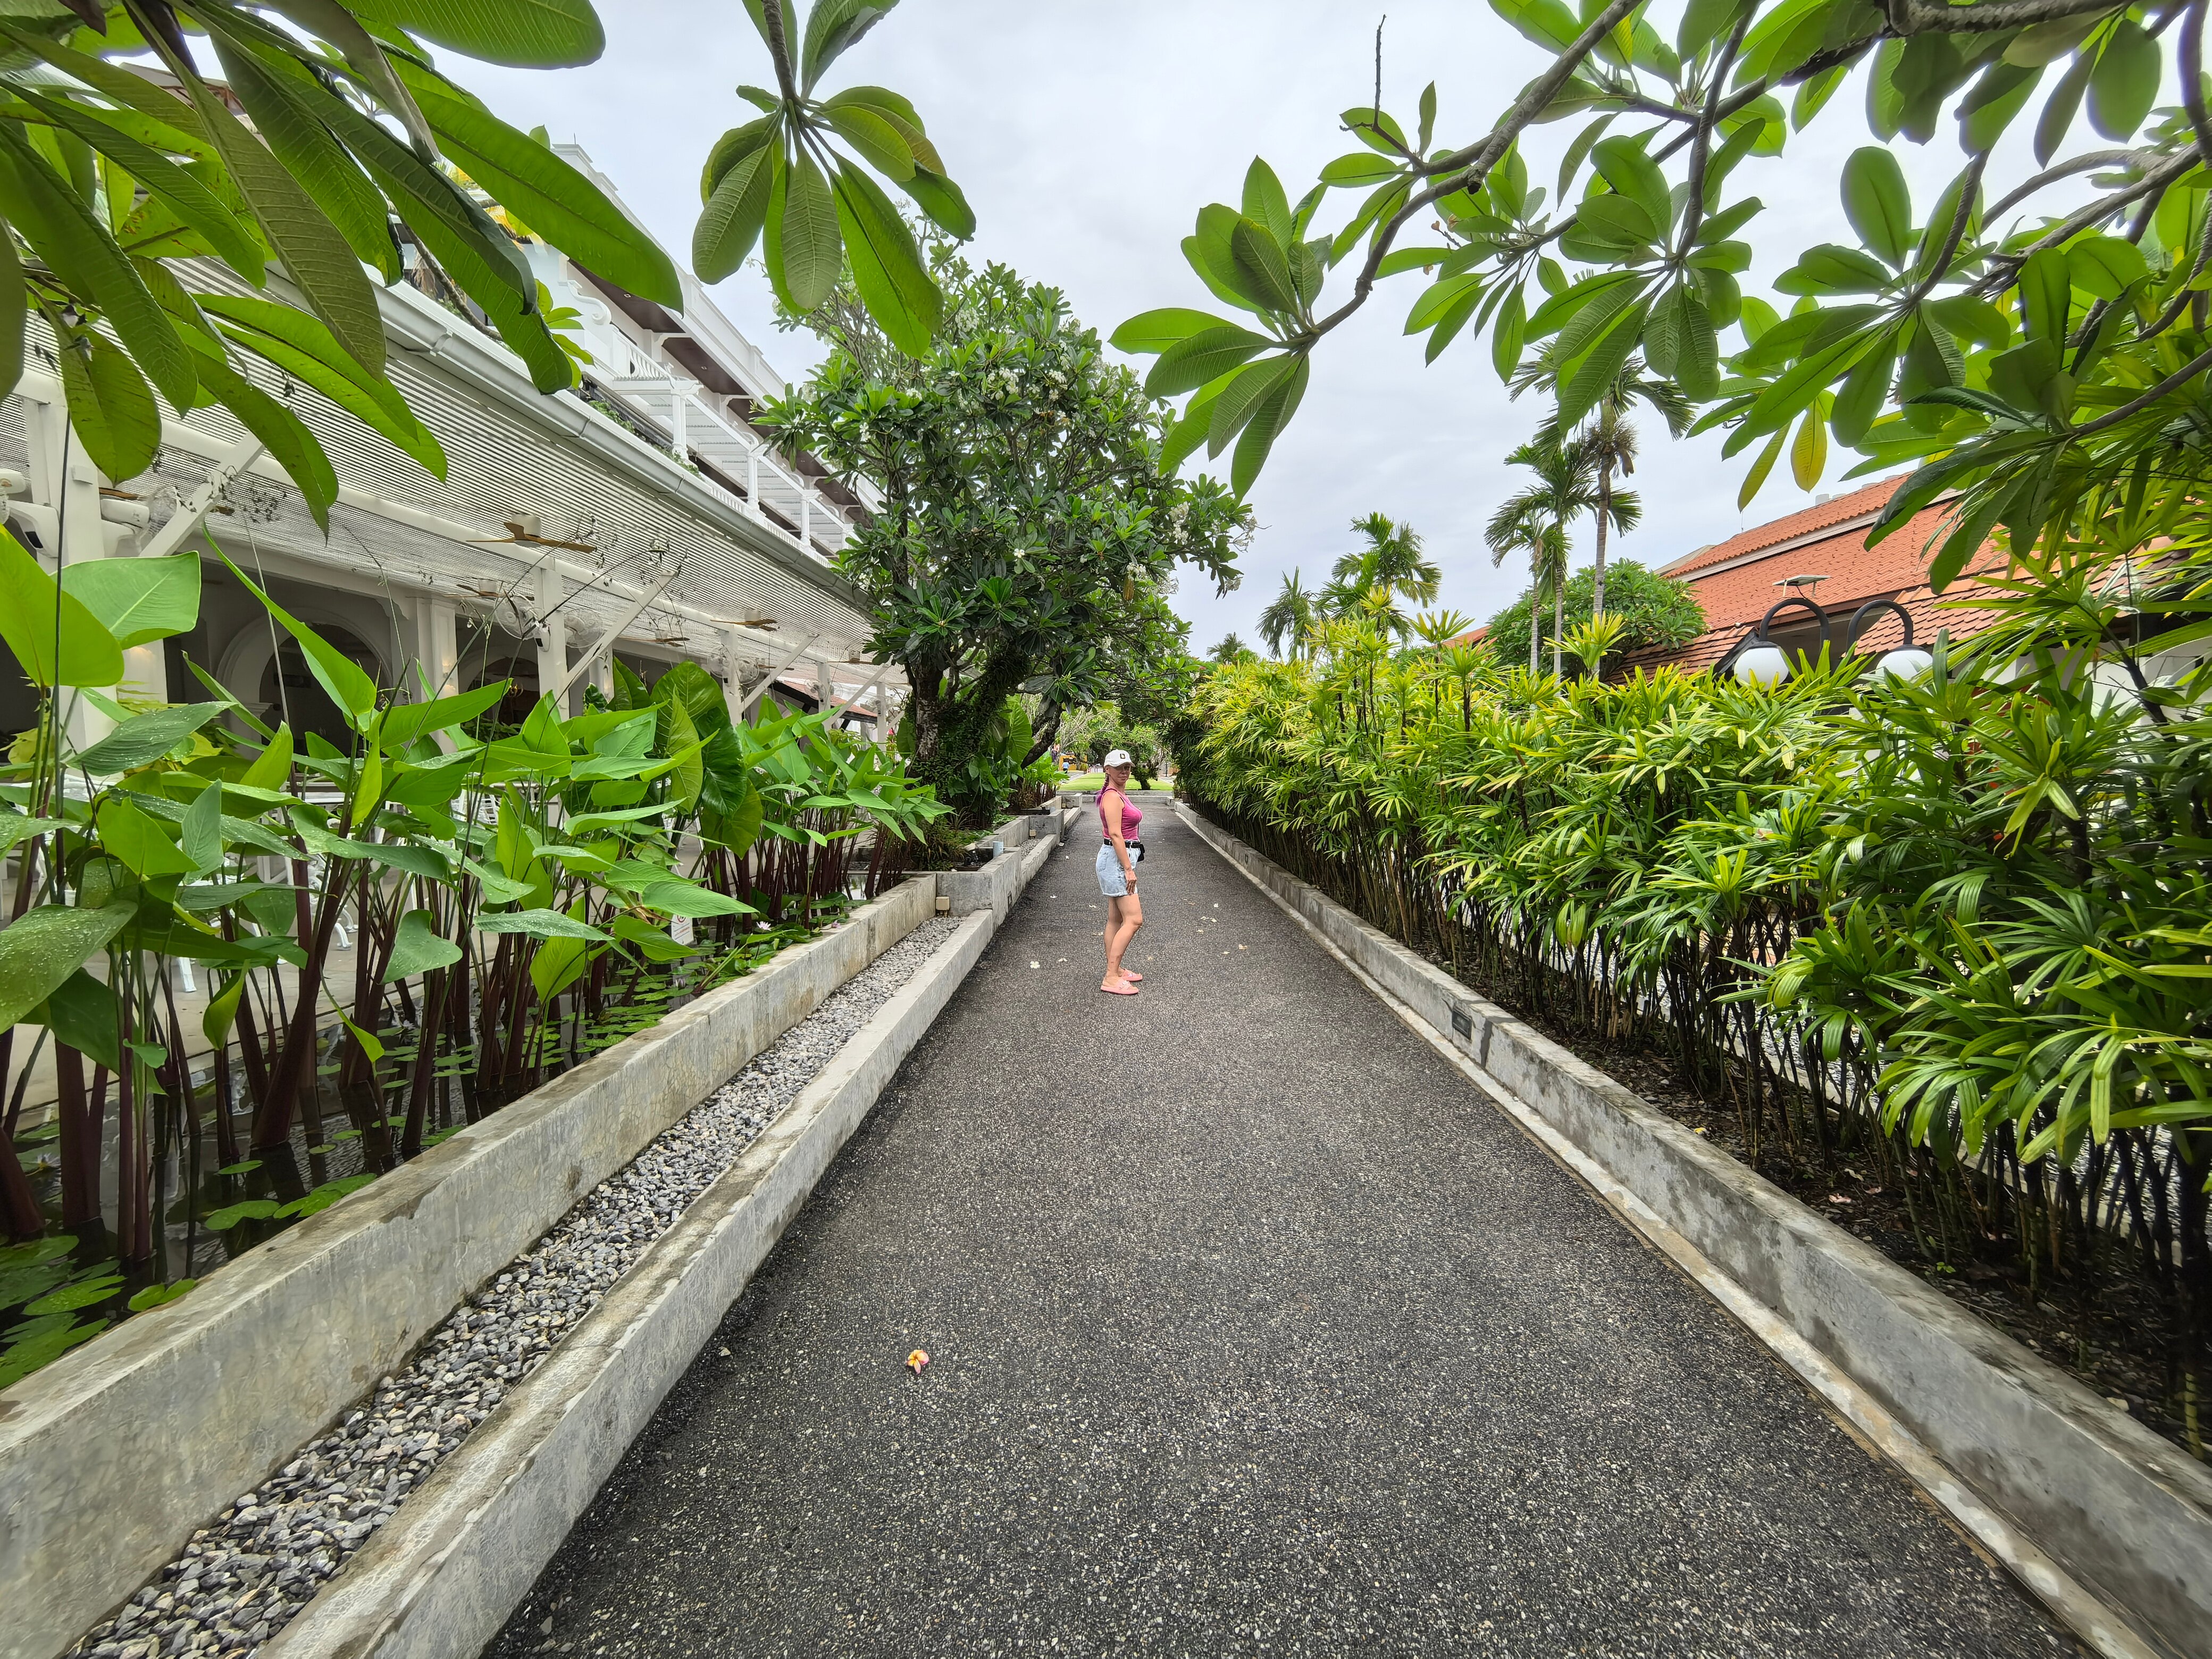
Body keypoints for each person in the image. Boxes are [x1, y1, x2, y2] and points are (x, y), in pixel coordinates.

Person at [1095, 749, 1144, 995]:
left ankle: (1116, 970)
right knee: (1134, 919)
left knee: (1116, 919)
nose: (1124, 771)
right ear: (1107, 769)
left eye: (1127, 767)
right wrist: (1128, 870)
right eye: (1119, 767)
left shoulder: (1119, 793)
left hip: (1118, 859)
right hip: (1116, 861)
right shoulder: (1112, 797)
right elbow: (1116, 834)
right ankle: (1111, 977)